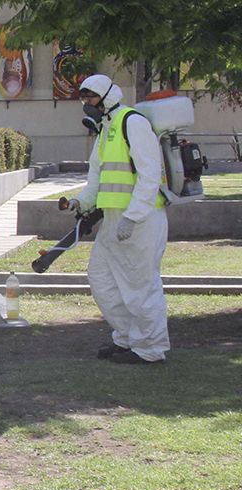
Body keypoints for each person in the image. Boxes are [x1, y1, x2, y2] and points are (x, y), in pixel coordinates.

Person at [68, 73, 169, 365]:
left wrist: (132, 217)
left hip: (141, 220)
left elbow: (150, 176)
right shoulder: (105, 129)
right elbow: (96, 180)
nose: (87, 103)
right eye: (84, 98)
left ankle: (150, 348)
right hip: (113, 220)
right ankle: (127, 338)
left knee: (140, 285)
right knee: (102, 279)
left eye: (91, 97)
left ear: (108, 95)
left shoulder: (132, 122)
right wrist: (79, 201)